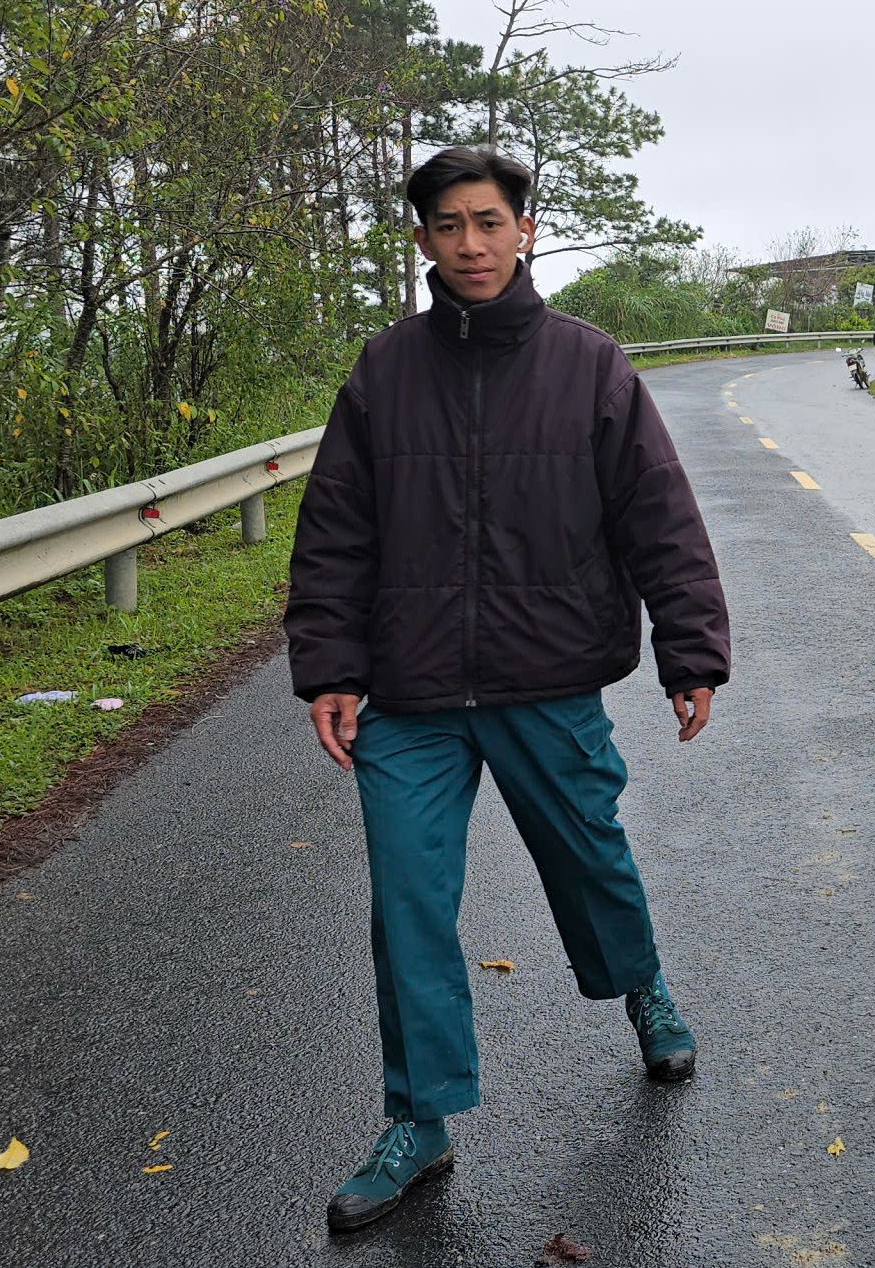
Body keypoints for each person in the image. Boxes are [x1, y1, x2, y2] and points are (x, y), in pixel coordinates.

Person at [286, 146, 732, 1232]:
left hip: (548, 677)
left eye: (489, 222)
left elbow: (658, 513)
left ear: (525, 229)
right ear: (424, 240)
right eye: (449, 225)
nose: (472, 244)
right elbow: (336, 530)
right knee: (407, 905)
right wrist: (332, 667)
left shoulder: (588, 364)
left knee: (590, 861)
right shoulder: (385, 371)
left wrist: (690, 649)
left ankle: (642, 987)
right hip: (412, 693)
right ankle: (419, 1119)